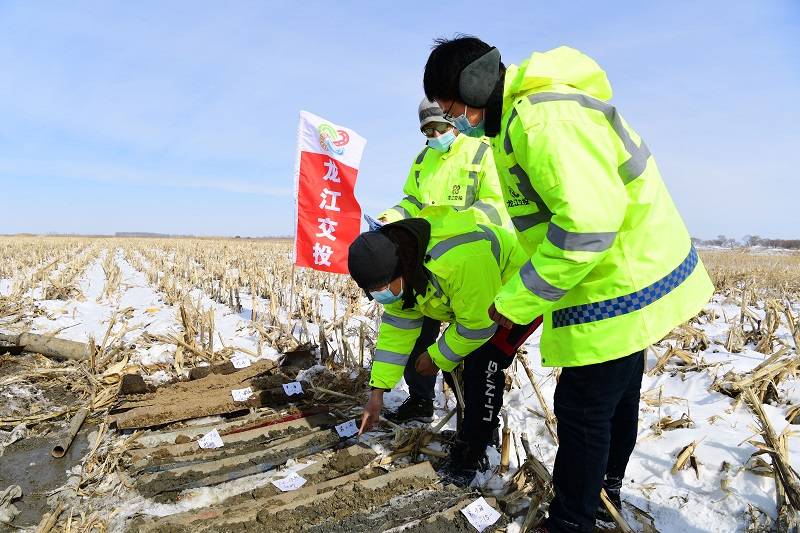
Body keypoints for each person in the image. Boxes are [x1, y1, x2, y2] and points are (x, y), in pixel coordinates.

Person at [422, 37, 714, 532]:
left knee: (582, 410)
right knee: (616, 398)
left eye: (452, 108)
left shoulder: (541, 121)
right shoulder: (522, 116)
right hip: (620, 272)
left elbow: (586, 226)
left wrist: (517, 300)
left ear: (472, 85)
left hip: (614, 279)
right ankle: (604, 497)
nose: (456, 121)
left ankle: (571, 520)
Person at [349, 207, 540, 482]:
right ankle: (476, 433)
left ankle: (473, 454)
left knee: (483, 363)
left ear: (399, 269)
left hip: (519, 293)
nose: (378, 296)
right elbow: (397, 334)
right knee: (457, 365)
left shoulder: (458, 260)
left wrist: (437, 356)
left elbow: (479, 326)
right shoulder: (405, 266)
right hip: (479, 304)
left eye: (381, 288)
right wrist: (377, 392)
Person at [376, 97, 511, 424]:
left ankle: (477, 424)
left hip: (470, 263)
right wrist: (391, 217)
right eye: (427, 130)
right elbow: (412, 201)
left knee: (473, 345)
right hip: (425, 261)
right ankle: (421, 399)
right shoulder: (423, 160)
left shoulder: (483, 152)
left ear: (453, 120)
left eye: (439, 126)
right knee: (418, 336)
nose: (435, 135)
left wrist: (452, 228)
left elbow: (497, 204)